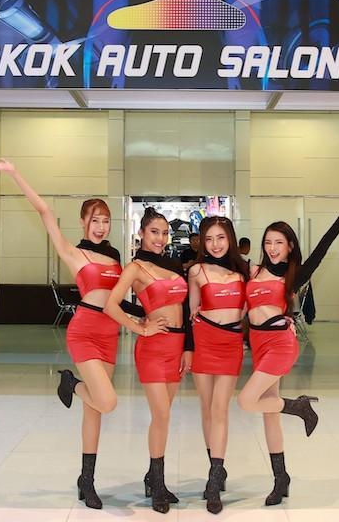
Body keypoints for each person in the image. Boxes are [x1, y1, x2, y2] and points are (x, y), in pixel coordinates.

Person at [0, 158, 151, 510]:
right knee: (107, 400)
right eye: (95, 220)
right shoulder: (73, 253)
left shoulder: (115, 259)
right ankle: (70, 383)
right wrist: (15, 173)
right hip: (85, 332)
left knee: (95, 410)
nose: (101, 226)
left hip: (109, 334)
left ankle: (87, 480)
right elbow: (44, 211)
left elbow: (119, 300)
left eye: (105, 220)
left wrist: (145, 316)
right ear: (83, 222)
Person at [237, 189, 339, 506]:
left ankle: (299, 407)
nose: (273, 248)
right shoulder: (253, 271)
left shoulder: (294, 275)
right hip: (258, 343)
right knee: (268, 413)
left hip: (279, 344)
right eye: (268, 242)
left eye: (279, 243)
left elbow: (322, 249)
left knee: (247, 400)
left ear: (290, 246)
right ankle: (280, 479)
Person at [103, 207, 191, 514]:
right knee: (162, 415)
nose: (160, 238)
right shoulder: (136, 268)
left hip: (177, 346)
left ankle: (153, 478)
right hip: (153, 348)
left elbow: (185, 309)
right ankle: (158, 483)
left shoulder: (173, 265)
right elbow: (110, 305)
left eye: (165, 233)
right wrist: (140, 327)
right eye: (154, 232)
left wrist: (188, 348)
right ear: (141, 233)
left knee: (163, 416)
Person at [187, 216, 249, 514]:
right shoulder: (196, 270)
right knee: (207, 408)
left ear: (231, 239)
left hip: (230, 345)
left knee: (220, 409)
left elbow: (254, 306)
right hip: (203, 341)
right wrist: (188, 349)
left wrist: (282, 318)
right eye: (209, 239)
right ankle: (216, 467)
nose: (215, 244)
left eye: (220, 238)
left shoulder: (244, 272)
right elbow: (190, 313)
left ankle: (214, 479)